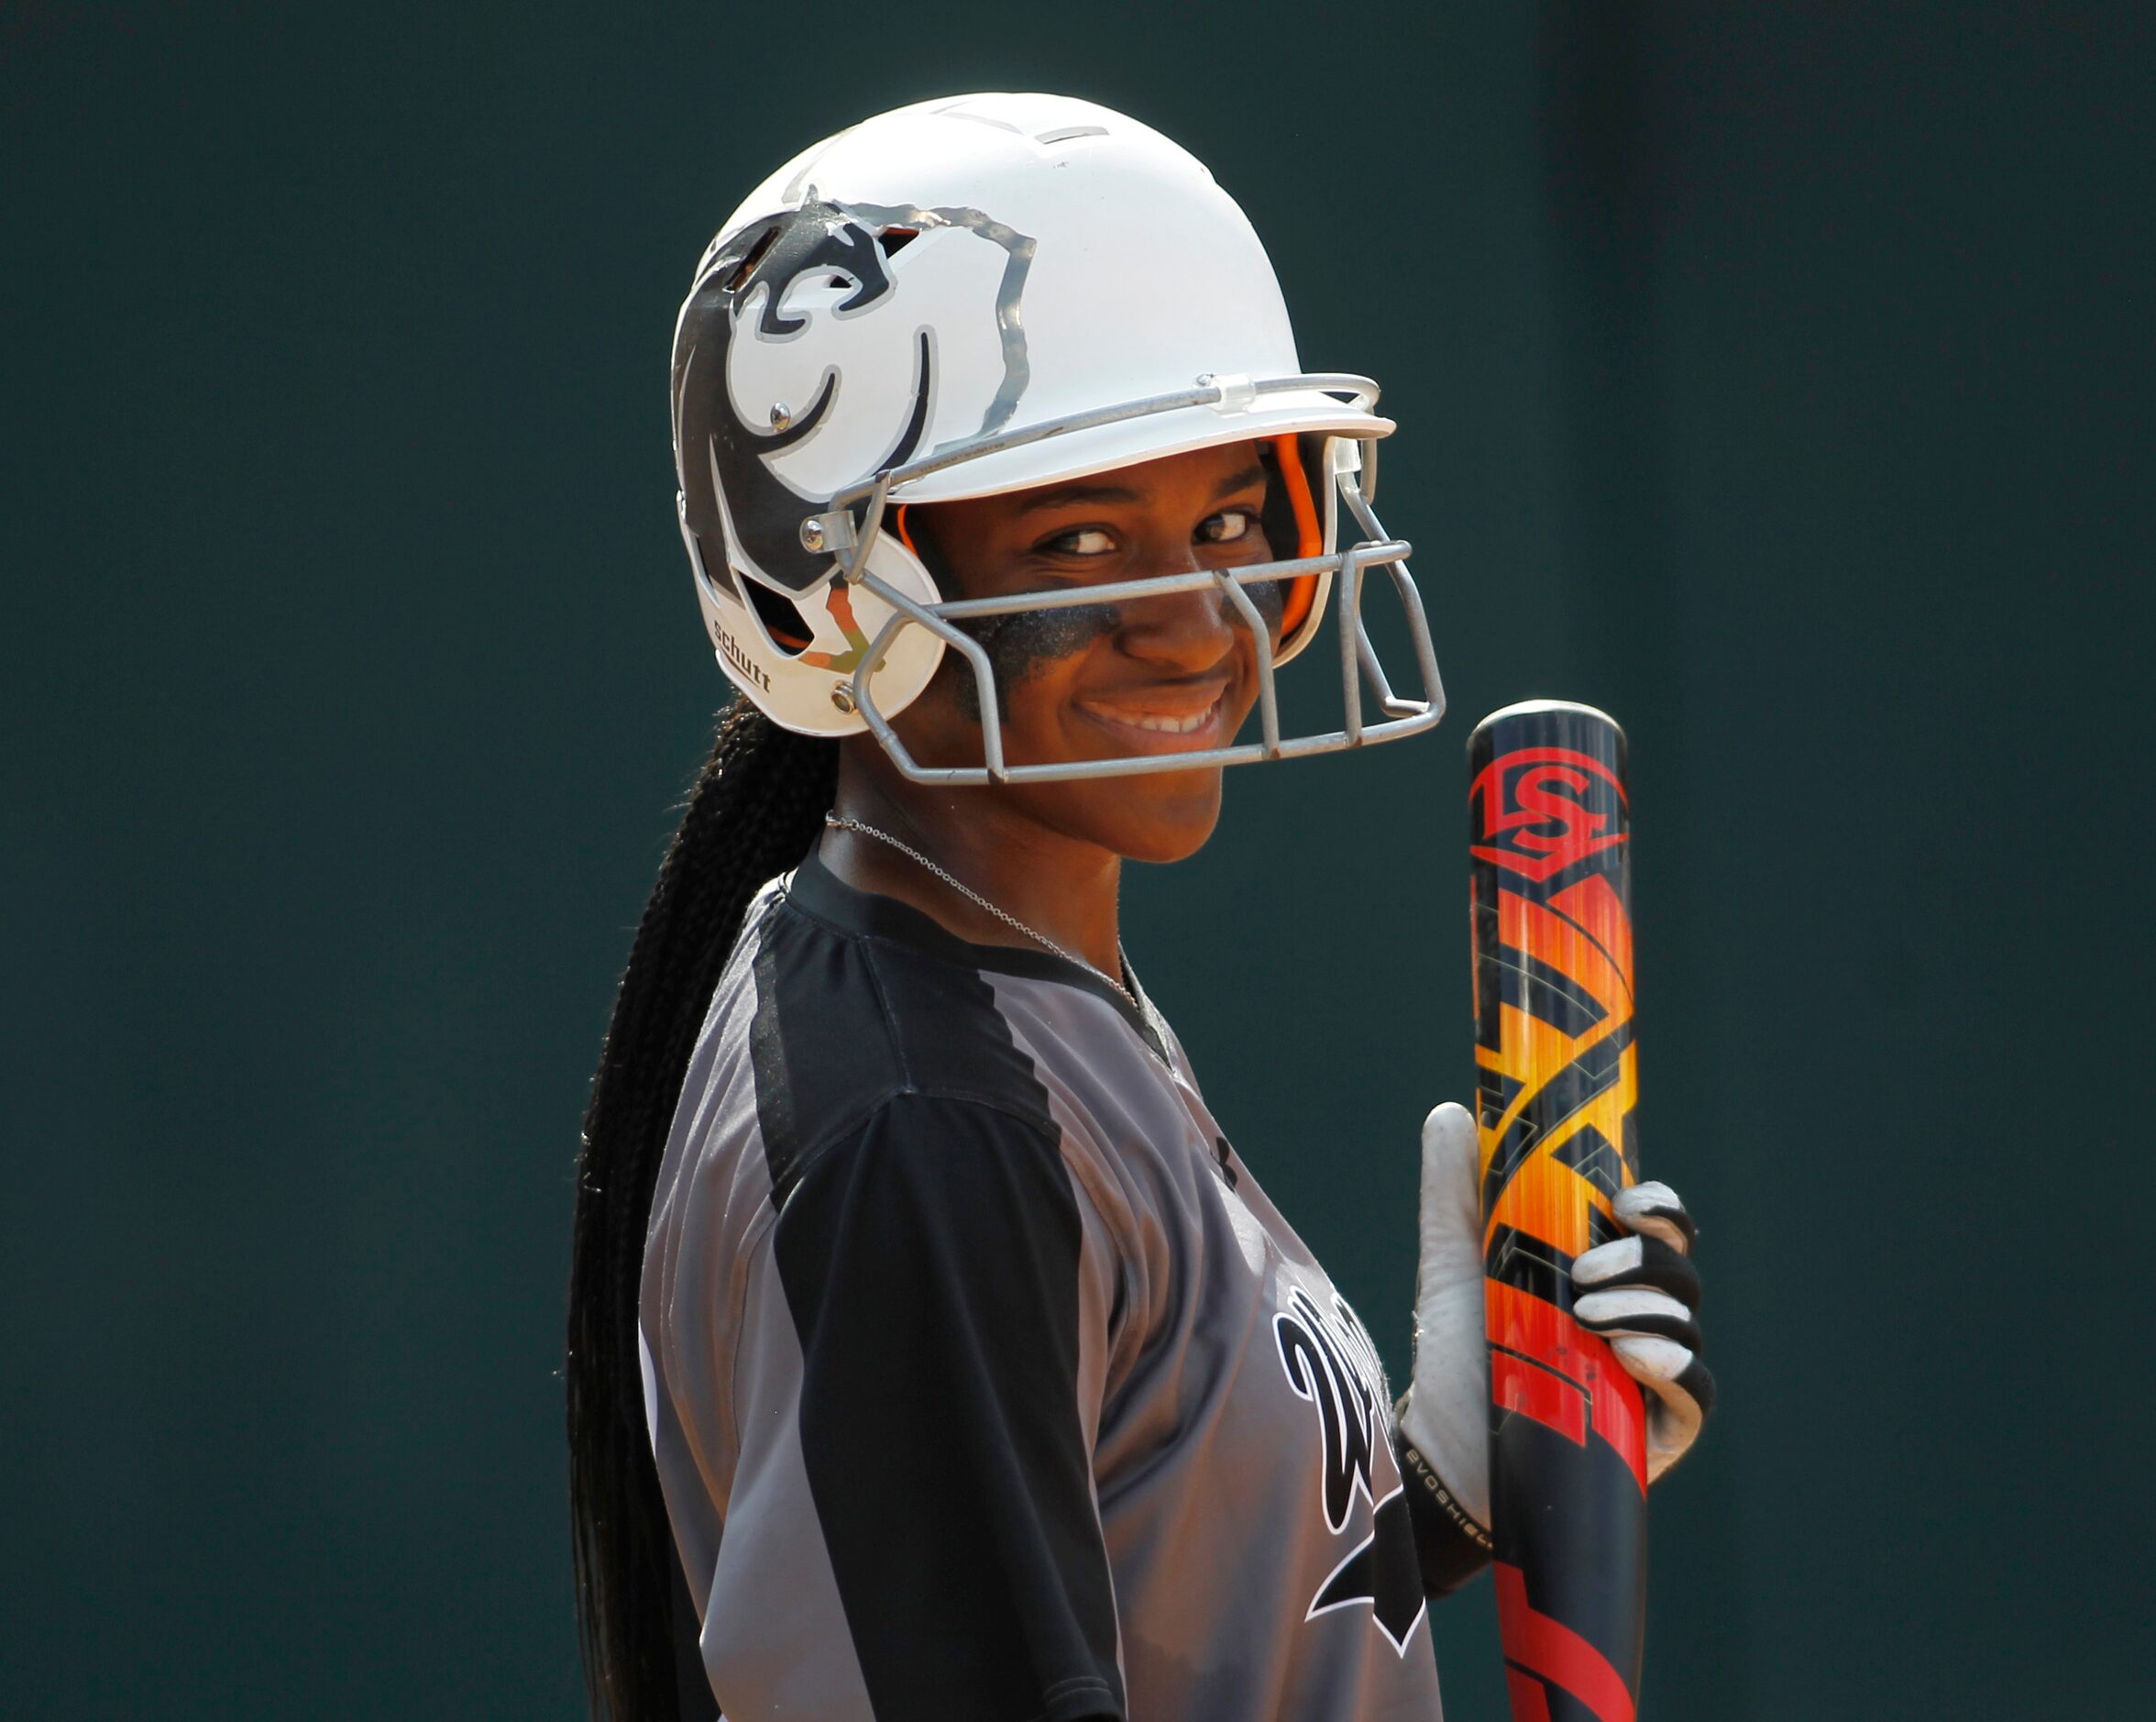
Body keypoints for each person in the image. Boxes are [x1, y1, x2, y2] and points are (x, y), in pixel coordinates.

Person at [567, 93, 1712, 1722]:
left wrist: (1436, 1499)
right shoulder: (918, 1113)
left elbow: (1148, 1602)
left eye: (1231, 518)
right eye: (1082, 534)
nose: (1196, 620)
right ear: (841, 595)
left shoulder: (1012, 1001)